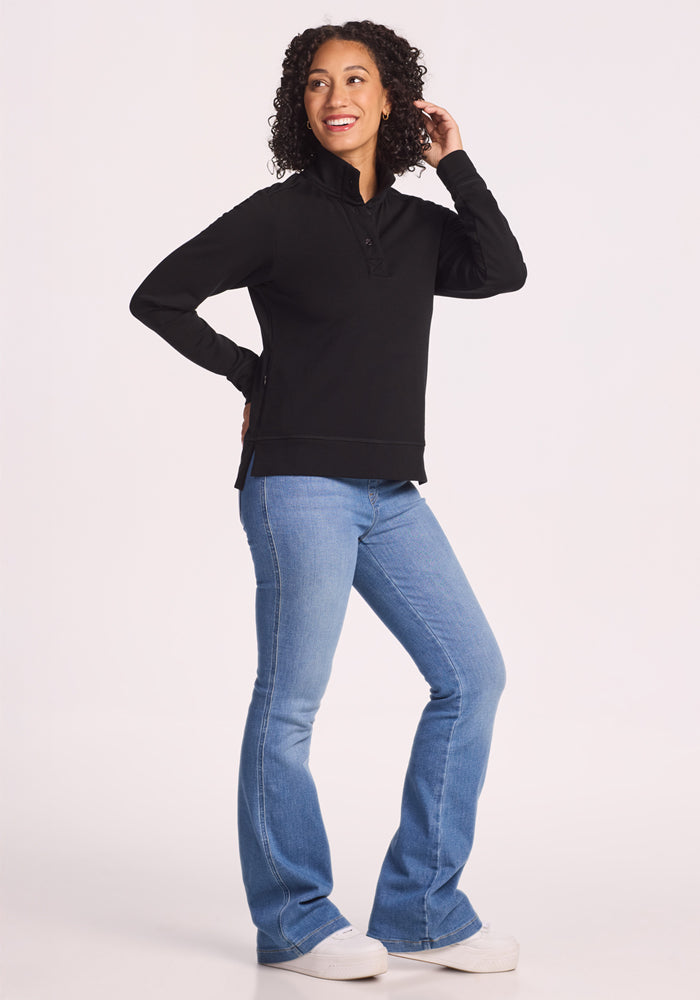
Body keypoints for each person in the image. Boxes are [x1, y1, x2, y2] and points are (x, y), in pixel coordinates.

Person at [129, 19, 526, 982]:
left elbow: (502, 269)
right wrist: (252, 378)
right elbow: (160, 295)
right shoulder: (276, 215)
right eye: (315, 83)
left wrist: (456, 164)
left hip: (390, 490)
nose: (336, 96)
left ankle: (424, 908)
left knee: (473, 677)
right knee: (293, 705)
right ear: (297, 106)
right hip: (297, 482)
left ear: (392, 99)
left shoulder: (423, 226)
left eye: (357, 79)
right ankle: (296, 922)